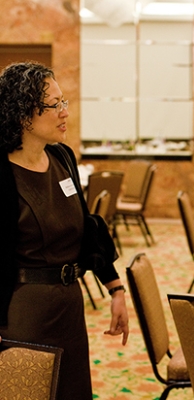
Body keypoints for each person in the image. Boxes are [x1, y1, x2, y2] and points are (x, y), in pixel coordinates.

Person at [0, 62, 129, 399]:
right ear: (24, 114)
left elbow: (87, 228)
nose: (64, 112)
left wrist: (115, 287)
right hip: (22, 315)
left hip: (69, 309)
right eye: (54, 105)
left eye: (64, 102)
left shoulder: (61, 157)